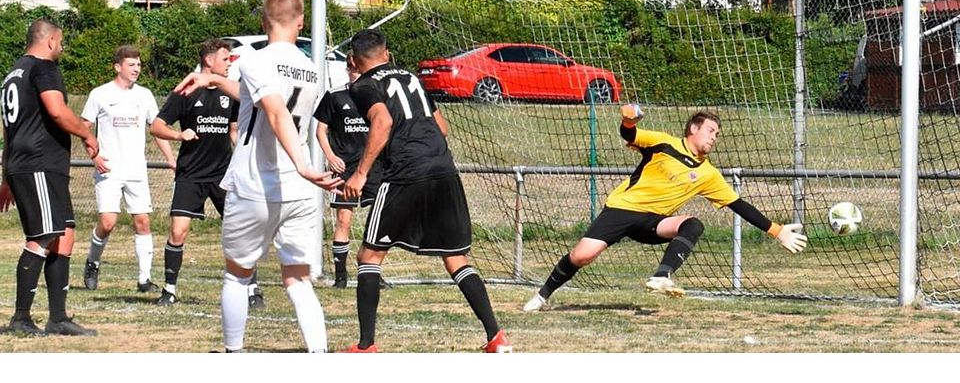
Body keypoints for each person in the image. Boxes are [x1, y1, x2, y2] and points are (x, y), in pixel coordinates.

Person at [173, 0, 342, 353]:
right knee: (298, 280)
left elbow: (275, 109)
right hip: (298, 194)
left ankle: (234, 354)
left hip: (258, 184)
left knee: (237, 275)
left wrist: (301, 165)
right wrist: (215, 79)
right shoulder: (311, 68)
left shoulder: (254, 59)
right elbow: (257, 96)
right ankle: (320, 355)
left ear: (265, 21)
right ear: (300, 21)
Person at [522, 106, 808, 311]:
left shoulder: (708, 173)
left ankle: (661, 276)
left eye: (717, 134)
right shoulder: (664, 143)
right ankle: (542, 295)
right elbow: (629, 133)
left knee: (692, 224)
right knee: (581, 257)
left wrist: (777, 231)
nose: (714, 137)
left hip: (652, 223)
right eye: (710, 130)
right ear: (693, 129)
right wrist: (628, 118)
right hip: (621, 209)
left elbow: (739, 205)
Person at [341, 28, 512, 353]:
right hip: (443, 168)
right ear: (387, 53)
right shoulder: (411, 78)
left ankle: (366, 346)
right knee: (456, 258)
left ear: (353, 60)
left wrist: (361, 173)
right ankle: (496, 337)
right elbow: (442, 127)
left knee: (369, 255)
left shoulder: (364, 85)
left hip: (406, 173)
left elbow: (382, 122)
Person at [0, 18, 98, 336]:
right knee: (43, 236)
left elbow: (9, 129)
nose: (63, 47)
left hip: (33, 163)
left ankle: (58, 318)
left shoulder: (13, 73)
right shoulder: (43, 67)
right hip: (38, 162)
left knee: (64, 234)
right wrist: (87, 134)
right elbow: (56, 110)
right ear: (51, 40)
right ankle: (20, 318)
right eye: (62, 41)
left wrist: (6, 175)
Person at [149, 38, 264, 308]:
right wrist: (178, 134)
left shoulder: (231, 92)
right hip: (191, 174)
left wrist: (245, 157)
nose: (229, 64)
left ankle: (253, 290)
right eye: (225, 59)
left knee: (240, 231)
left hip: (223, 174)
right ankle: (169, 289)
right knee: (178, 231)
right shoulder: (186, 91)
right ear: (209, 61)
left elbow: (234, 130)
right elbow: (156, 126)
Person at [80, 45, 175, 294]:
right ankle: (93, 262)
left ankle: (144, 279)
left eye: (139, 65)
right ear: (117, 67)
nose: (136, 69)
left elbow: (157, 129)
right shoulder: (100, 94)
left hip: (136, 170)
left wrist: (171, 158)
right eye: (131, 65)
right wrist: (95, 155)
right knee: (108, 222)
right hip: (109, 169)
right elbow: (83, 127)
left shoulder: (144, 95)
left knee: (143, 222)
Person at [313, 55, 386, 289]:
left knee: (379, 220)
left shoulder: (375, 96)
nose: (356, 73)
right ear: (347, 70)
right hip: (344, 168)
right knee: (343, 220)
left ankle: (371, 270)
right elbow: (320, 131)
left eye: (359, 70)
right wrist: (330, 156)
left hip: (372, 167)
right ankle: (340, 276)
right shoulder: (335, 96)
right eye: (353, 70)